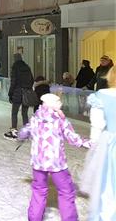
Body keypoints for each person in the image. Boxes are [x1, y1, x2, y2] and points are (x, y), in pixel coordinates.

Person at [18, 93, 91, 221]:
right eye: (57, 102)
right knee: (66, 192)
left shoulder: (36, 117)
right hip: (57, 163)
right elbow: (72, 138)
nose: (60, 104)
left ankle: (34, 218)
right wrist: (88, 143)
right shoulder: (59, 120)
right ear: (51, 104)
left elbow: (24, 132)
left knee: (39, 191)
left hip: (38, 163)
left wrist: (23, 134)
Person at [81, 66, 116, 221]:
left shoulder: (103, 95)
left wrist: (94, 144)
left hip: (110, 144)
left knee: (107, 184)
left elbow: (97, 123)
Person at [4, 53, 34, 140]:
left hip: (17, 93)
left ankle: (14, 130)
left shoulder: (15, 67)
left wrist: (10, 93)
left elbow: (13, 82)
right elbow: (31, 80)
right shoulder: (27, 67)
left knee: (14, 112)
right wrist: (27, 88)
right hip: (26, 93)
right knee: (24, 113)